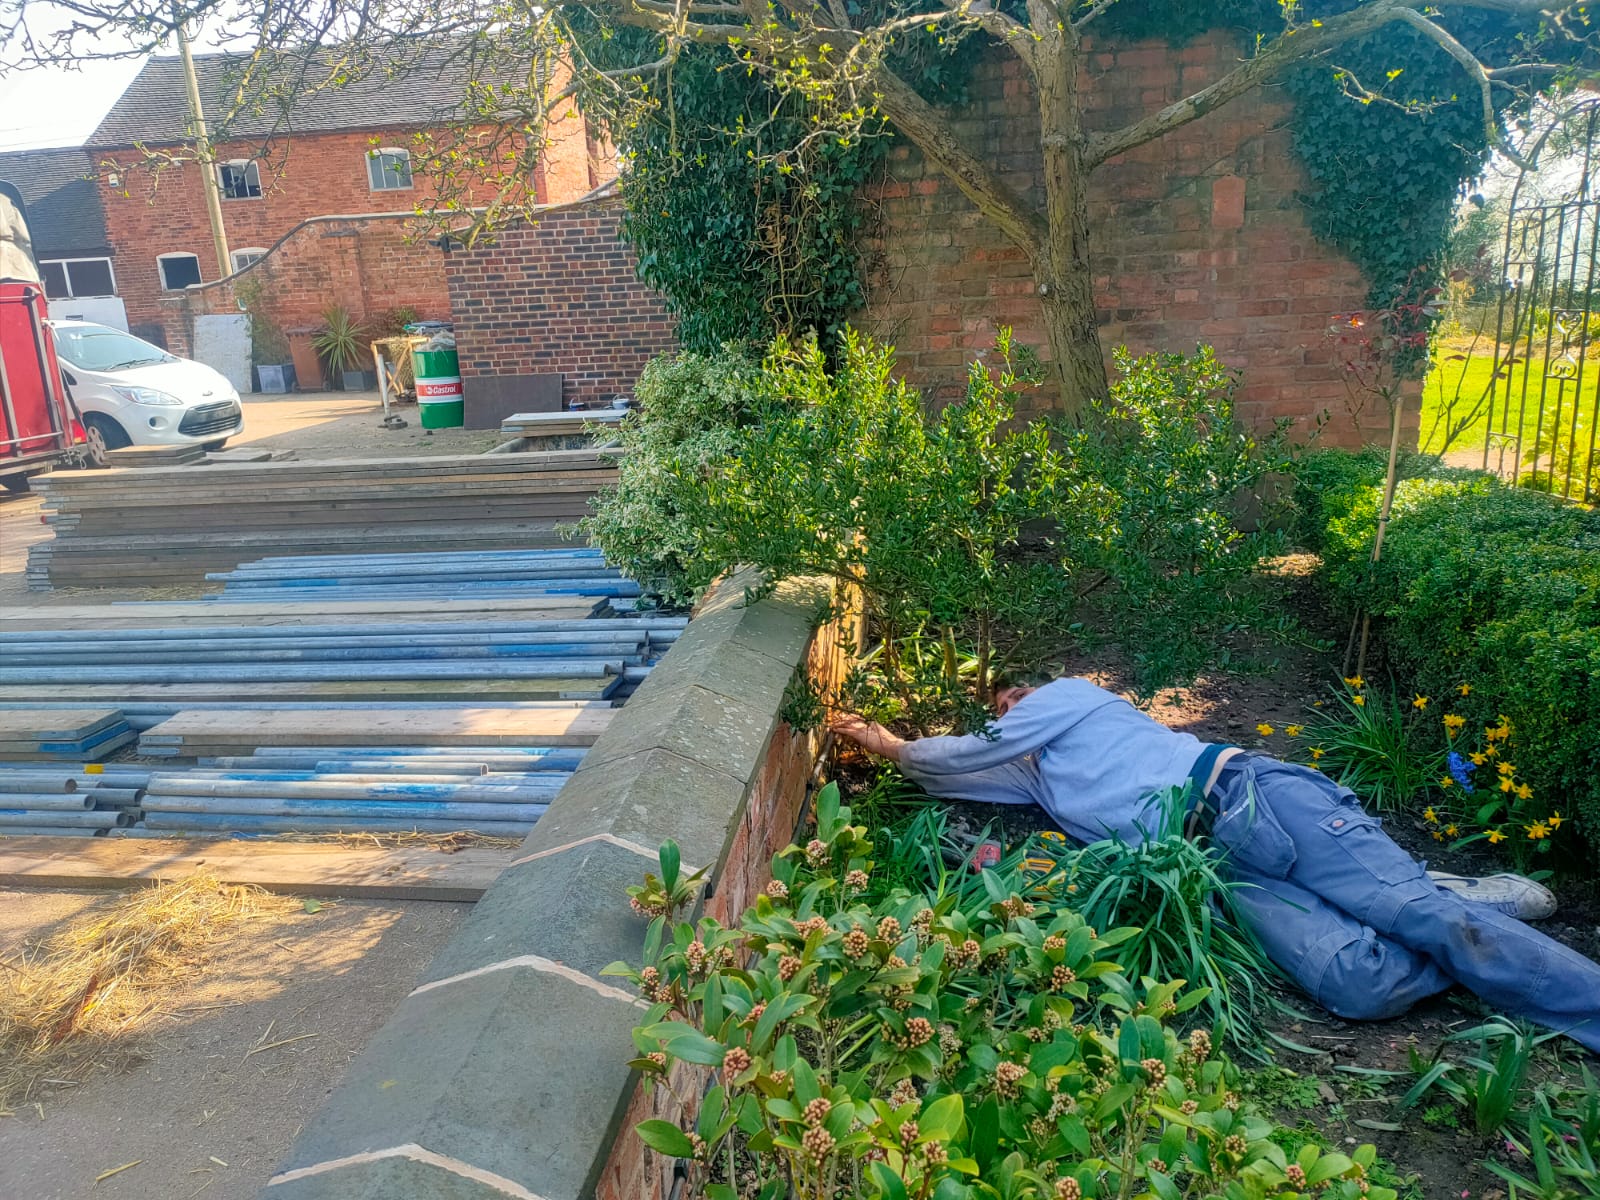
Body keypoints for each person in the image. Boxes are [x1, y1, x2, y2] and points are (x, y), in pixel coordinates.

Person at [830, 676, 1600, 1052]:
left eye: (1010, 699)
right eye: (1002, 707)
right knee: (1357, 984)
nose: (1008, 709)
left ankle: (1445, 915)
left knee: (1428, 923)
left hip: (1249, 798)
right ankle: (1445, 901)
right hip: (1213, 862)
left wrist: (887, 742)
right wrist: (895, 755)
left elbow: (973, 750)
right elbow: (963, 770)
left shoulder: (1065, 695)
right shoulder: (1039, 773)